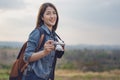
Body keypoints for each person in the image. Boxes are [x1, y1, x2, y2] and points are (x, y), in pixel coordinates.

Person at [22, 2, 65, 80]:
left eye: (54, 13)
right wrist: (44, 52)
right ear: (42, 17)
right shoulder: (37, 32)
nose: (52, 16)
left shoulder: (54, 36)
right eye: (48, 13)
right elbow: (26, 57)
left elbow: (54, 57)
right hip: (34, 77)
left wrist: (60, 50)